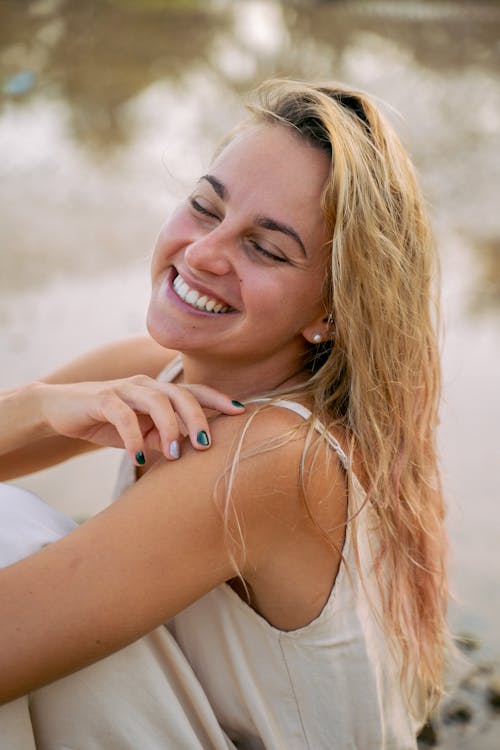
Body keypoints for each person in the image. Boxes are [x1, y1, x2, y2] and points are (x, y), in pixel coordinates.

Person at [0, 79, 448, 749]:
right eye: (206, 208)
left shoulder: (270, 458)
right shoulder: (155, 367)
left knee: (13, 531)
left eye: (266, 249)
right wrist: (44, 408)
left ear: (331, 312)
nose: (204, 254)